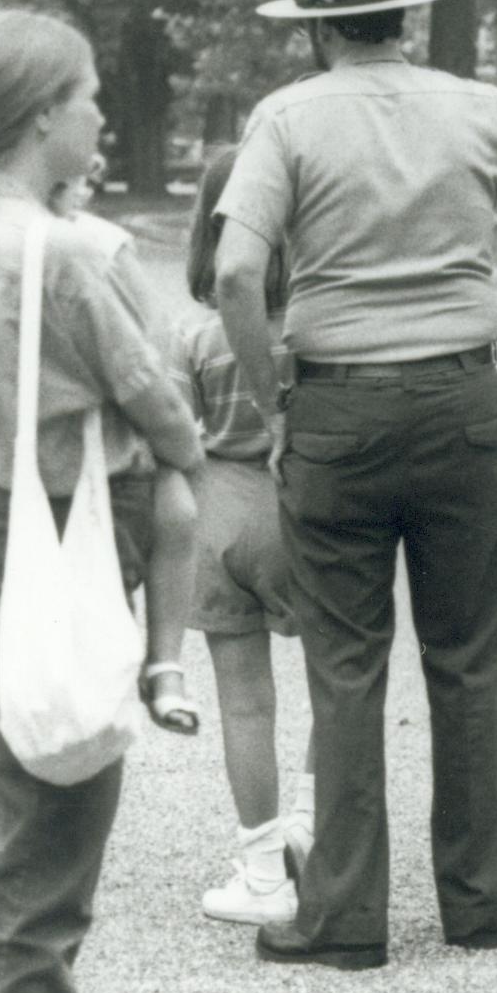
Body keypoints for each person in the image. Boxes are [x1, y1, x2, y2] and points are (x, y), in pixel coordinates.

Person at [213, 0, 497, 969]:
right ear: (403, 13)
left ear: (314, 30)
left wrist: (275, 399)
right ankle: (483, 897)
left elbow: (231, 272)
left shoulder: (285, 119)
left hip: (337, 414)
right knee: (467, 658)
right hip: (463, 404)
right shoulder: (472, 105)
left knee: (345, 666)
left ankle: (343, 915)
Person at [0, 7, 205, 993]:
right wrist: (193, 443)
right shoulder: (68, 250)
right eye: (92, 93)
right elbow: (162, 402)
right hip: (72, 531)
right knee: (46, 859)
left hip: (1, 526)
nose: (105, 113)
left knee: (6, 833)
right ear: (44, 113)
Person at [173, 146, 316, 926]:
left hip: (218, 518)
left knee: (245, 705)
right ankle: (315, 823)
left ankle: (262, 873)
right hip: (301, 510)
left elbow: (172, 440)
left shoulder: (193, 336)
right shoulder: (310, 327)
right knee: (342, 679)